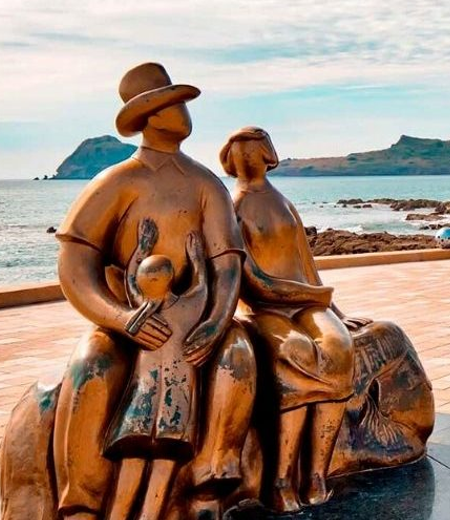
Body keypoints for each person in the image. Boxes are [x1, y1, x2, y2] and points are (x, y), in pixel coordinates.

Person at [54, 63, 257, 520]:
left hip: (192, 319)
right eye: (173, 103)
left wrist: (217, 320)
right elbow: (74, 264)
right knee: (92, 366)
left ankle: (211, 482)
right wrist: (121, 318)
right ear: (150, 115)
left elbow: (227, 264)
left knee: (237, 354)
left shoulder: (207, 184)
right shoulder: (116, 182)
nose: (184, 112)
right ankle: (82, 502)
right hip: (129, 319)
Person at [219, 126, 371, 512]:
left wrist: (334, 310)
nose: (247, 156)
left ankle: (317, 473)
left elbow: (308, 264)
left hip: (308, 303)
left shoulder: (284, 203)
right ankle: (281, 478)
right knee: (297, 353)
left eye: (253, 148)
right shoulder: (230, 208)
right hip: (265, 310)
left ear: (267, 154)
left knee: (339, 348)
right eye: (239, 150)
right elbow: (252, 279)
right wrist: (315, 296)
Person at [106, 233, 208, 520]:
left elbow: (128, 281)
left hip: (139, 412)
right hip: (174, 415)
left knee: (130, 466)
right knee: (162, 472)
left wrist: (141, 248)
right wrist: (197, 258)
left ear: (142, 282)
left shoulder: (139, 312)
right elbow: (202, 284)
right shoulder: (189, 308)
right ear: (171, 277)